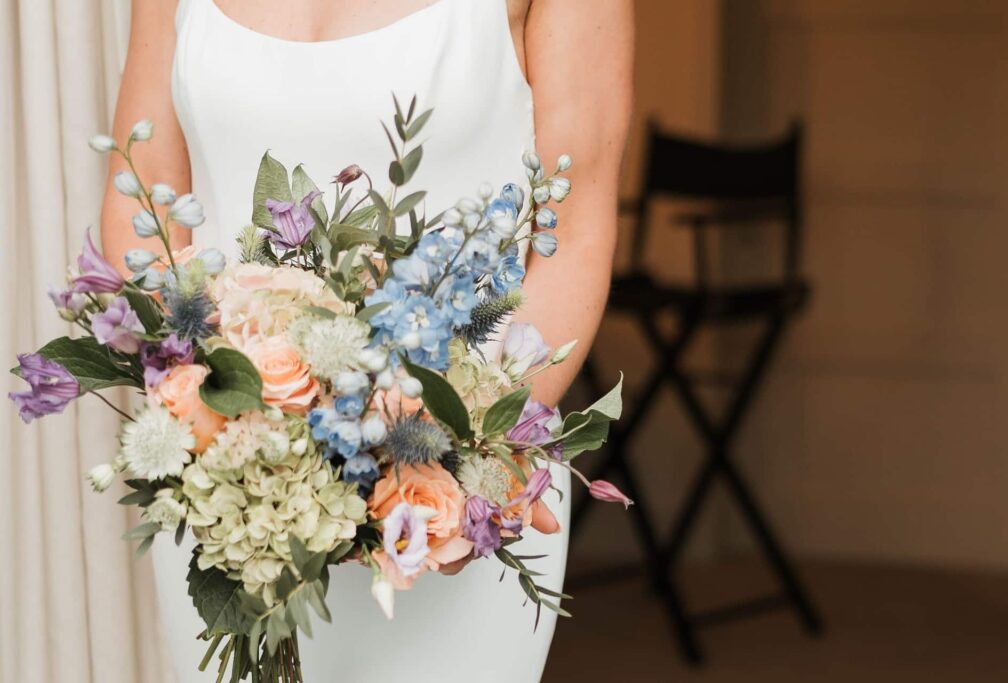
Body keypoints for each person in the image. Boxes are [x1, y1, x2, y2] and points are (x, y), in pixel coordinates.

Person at [100, 1, 633, 680]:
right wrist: (209, 413)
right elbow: (143, 196)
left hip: (444, 495)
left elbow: (577, 224)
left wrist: (465, 458)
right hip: (232, 486)